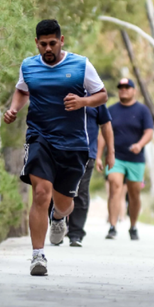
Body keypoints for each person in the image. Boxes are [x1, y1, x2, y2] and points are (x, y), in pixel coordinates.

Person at [4, 19, 107, 276]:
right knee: (41, 193)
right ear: (36, 43)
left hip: (73, 143)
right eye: (43, 44)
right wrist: (14, 108)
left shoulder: (81, 64)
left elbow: (102, 95)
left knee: (64, 203)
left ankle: (59, 218)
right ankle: (38, 256)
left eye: (52, 43)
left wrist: (83, 101)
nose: (48, 48)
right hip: (40, 137)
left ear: (61, 41)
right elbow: (22, 90)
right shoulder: (28, 66)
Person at [48, 102, 115, 247]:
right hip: (58, 150)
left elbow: (105, 125)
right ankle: (57, 222)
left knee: (81, 192)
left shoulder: (94, 92)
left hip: (86, 152)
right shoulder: (60, 90)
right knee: (56, 190)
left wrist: (110, 153)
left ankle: (76, 233)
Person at [103, 78, 153, 240]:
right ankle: (112, 226)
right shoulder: (111, 110)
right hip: (115, 157)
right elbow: (103, 132)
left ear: (134, 90)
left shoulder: (142, 110)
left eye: (127, 87)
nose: (123, 89)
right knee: (115, 186)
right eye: (121, 87)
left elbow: (149, 132)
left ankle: (133, 226)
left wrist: (139, 145)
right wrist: (98, 156)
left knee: (134, 193)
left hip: (135, 159)